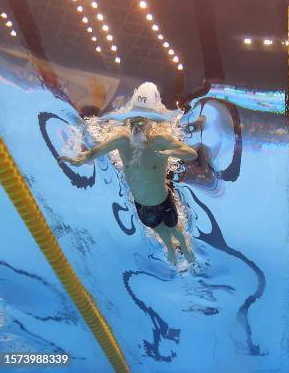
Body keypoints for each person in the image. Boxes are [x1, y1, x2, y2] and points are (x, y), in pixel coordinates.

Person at [59, 82, 198, 266]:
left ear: (151, 123)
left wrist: (170, 153)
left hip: (164, 201)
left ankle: (185, 248)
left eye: (141, 122)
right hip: (142, 206)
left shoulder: (161, 141)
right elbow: (94, 153)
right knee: (162, 233)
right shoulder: (122, 141)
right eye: (132, 121)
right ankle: (170, 249)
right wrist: (81, 159)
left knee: (175, 229)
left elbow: (191, 154)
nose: (135, 127)